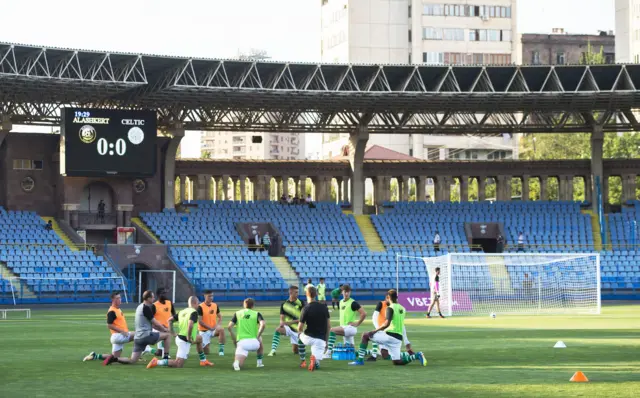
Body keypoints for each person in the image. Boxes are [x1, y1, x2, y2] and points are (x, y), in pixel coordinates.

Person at [349, 289, 426, 367]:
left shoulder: (390, 308)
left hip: (389, 336)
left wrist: (375, 331)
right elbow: (401, 324)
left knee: (365, 335)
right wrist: (405, 340)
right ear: (397, 297)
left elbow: (386, 323)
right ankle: (417, 355)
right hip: (398, 339)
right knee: (397, 362)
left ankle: (359, 360)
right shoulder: (402, 308)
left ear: (389, 297)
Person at [102, 290, 173, 365]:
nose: (154, 298)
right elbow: (155, 323)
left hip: (137, 338)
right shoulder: (146, 308)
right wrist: (165, 329)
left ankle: (114, 359)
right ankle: (165, 357)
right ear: (148, 299)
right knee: (167, 335)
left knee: (132, 360)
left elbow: (153, 325)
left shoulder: (139, 307)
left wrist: (161, 329)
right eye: (152, 297)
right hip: (145, 336)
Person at [147, 296, 214, 368]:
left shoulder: (182, 311)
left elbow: (170, 320)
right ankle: (157, 362)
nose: (198, 305)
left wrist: (172, 332)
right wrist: (188, 337)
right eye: (198, 303)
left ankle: (203, 361)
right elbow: (190, 324)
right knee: (178, 364)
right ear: (195, 303)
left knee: (199, 339)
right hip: (184, 341)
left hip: (180, 337)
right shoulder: (194, 312)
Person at [83, 291, 133, 363]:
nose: (119, 299)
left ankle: (95, 356)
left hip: (119, 336)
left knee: (114, 357)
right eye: (117, 298)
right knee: (138, 335)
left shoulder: (117, 309)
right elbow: (109, 325)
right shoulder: (112, 311)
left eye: (120, 298)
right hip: (118, 335)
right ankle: (139, 355)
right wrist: (122, 331)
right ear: (113, 300)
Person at [323, 284, 366, 359]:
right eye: (345, 292)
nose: (346, 293)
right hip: (344, 328)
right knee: (350, 350)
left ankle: (328, 352)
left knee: (332, 330)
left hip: (350, 328)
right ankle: (371, 352)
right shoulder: (340, 302)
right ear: (341, 292)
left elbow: (363, 313)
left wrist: (357, 323)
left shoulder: (353, 303)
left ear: (350, 293)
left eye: (348, 292)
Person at [367, 296, 413, 361]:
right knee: (384, 354)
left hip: (391, 333)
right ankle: (374, 355)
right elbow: (374, 317)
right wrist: (378, 329)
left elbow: (402, 325)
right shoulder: (381, 304)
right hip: (382, 330)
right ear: (386, 298)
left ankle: (406, 354)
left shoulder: (396, 308)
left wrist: (406, 342)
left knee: (387, 356)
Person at [297, 286, 331, 372]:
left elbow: (299, 327)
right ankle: (314, 361)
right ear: (316, 294)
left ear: (306, 294)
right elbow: (329, 326)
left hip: (308, 338)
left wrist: (301, 332)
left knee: (299, 336)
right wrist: (326, 341)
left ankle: (303, 360)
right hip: (320, 340)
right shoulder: (324, 307)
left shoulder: (305, 308)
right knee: (317, 364)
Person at [228, 298, 267, 371]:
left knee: (238, 364)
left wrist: (234, 339)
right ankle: (259, 363)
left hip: (242, 343)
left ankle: (236, 363)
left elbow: (229, 327)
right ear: (253, 306)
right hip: (255, 343)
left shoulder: (238, 313)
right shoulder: (256, 313)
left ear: (244, 305)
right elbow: (263, 324)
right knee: (260, 339)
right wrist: (258, 336)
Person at [268, 285, 304, 357]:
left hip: (298, 329)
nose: (297, 294)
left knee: (295, 351)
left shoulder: (301, 303)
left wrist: (294, 322)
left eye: (298, 292)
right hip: (288, 328)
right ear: (291, 292)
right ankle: (273, 350)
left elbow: (303, 318)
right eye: (296, 292)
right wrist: (296, 321)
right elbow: (282, 322)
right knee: (278, 329)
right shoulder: (284, 304)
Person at [197, 290, 226, 356]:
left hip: (213, 329)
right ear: (205, 296)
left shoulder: (215, 305)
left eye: (212, 296)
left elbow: (220, 317)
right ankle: (204, 346)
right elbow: (200, 321)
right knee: (206, 352)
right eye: (209, 296)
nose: (211, 298)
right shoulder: (200, 307)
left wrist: (217, 325)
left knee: (221, 329)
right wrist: (210, 328)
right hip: (204, 331)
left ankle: (221, 350)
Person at [152, 287, 176, 357]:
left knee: (160, 352)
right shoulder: (154, 305)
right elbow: (151, 319)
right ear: (158, 295)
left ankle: (149, 350)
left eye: (166, 293)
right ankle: (165, 356)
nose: (165, 295)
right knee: (160, 352)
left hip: (167, 329)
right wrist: (159, 326)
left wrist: (171, 323)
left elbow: (174, 314)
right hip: (158, 329)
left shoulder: (169, 302)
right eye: (163, 293)